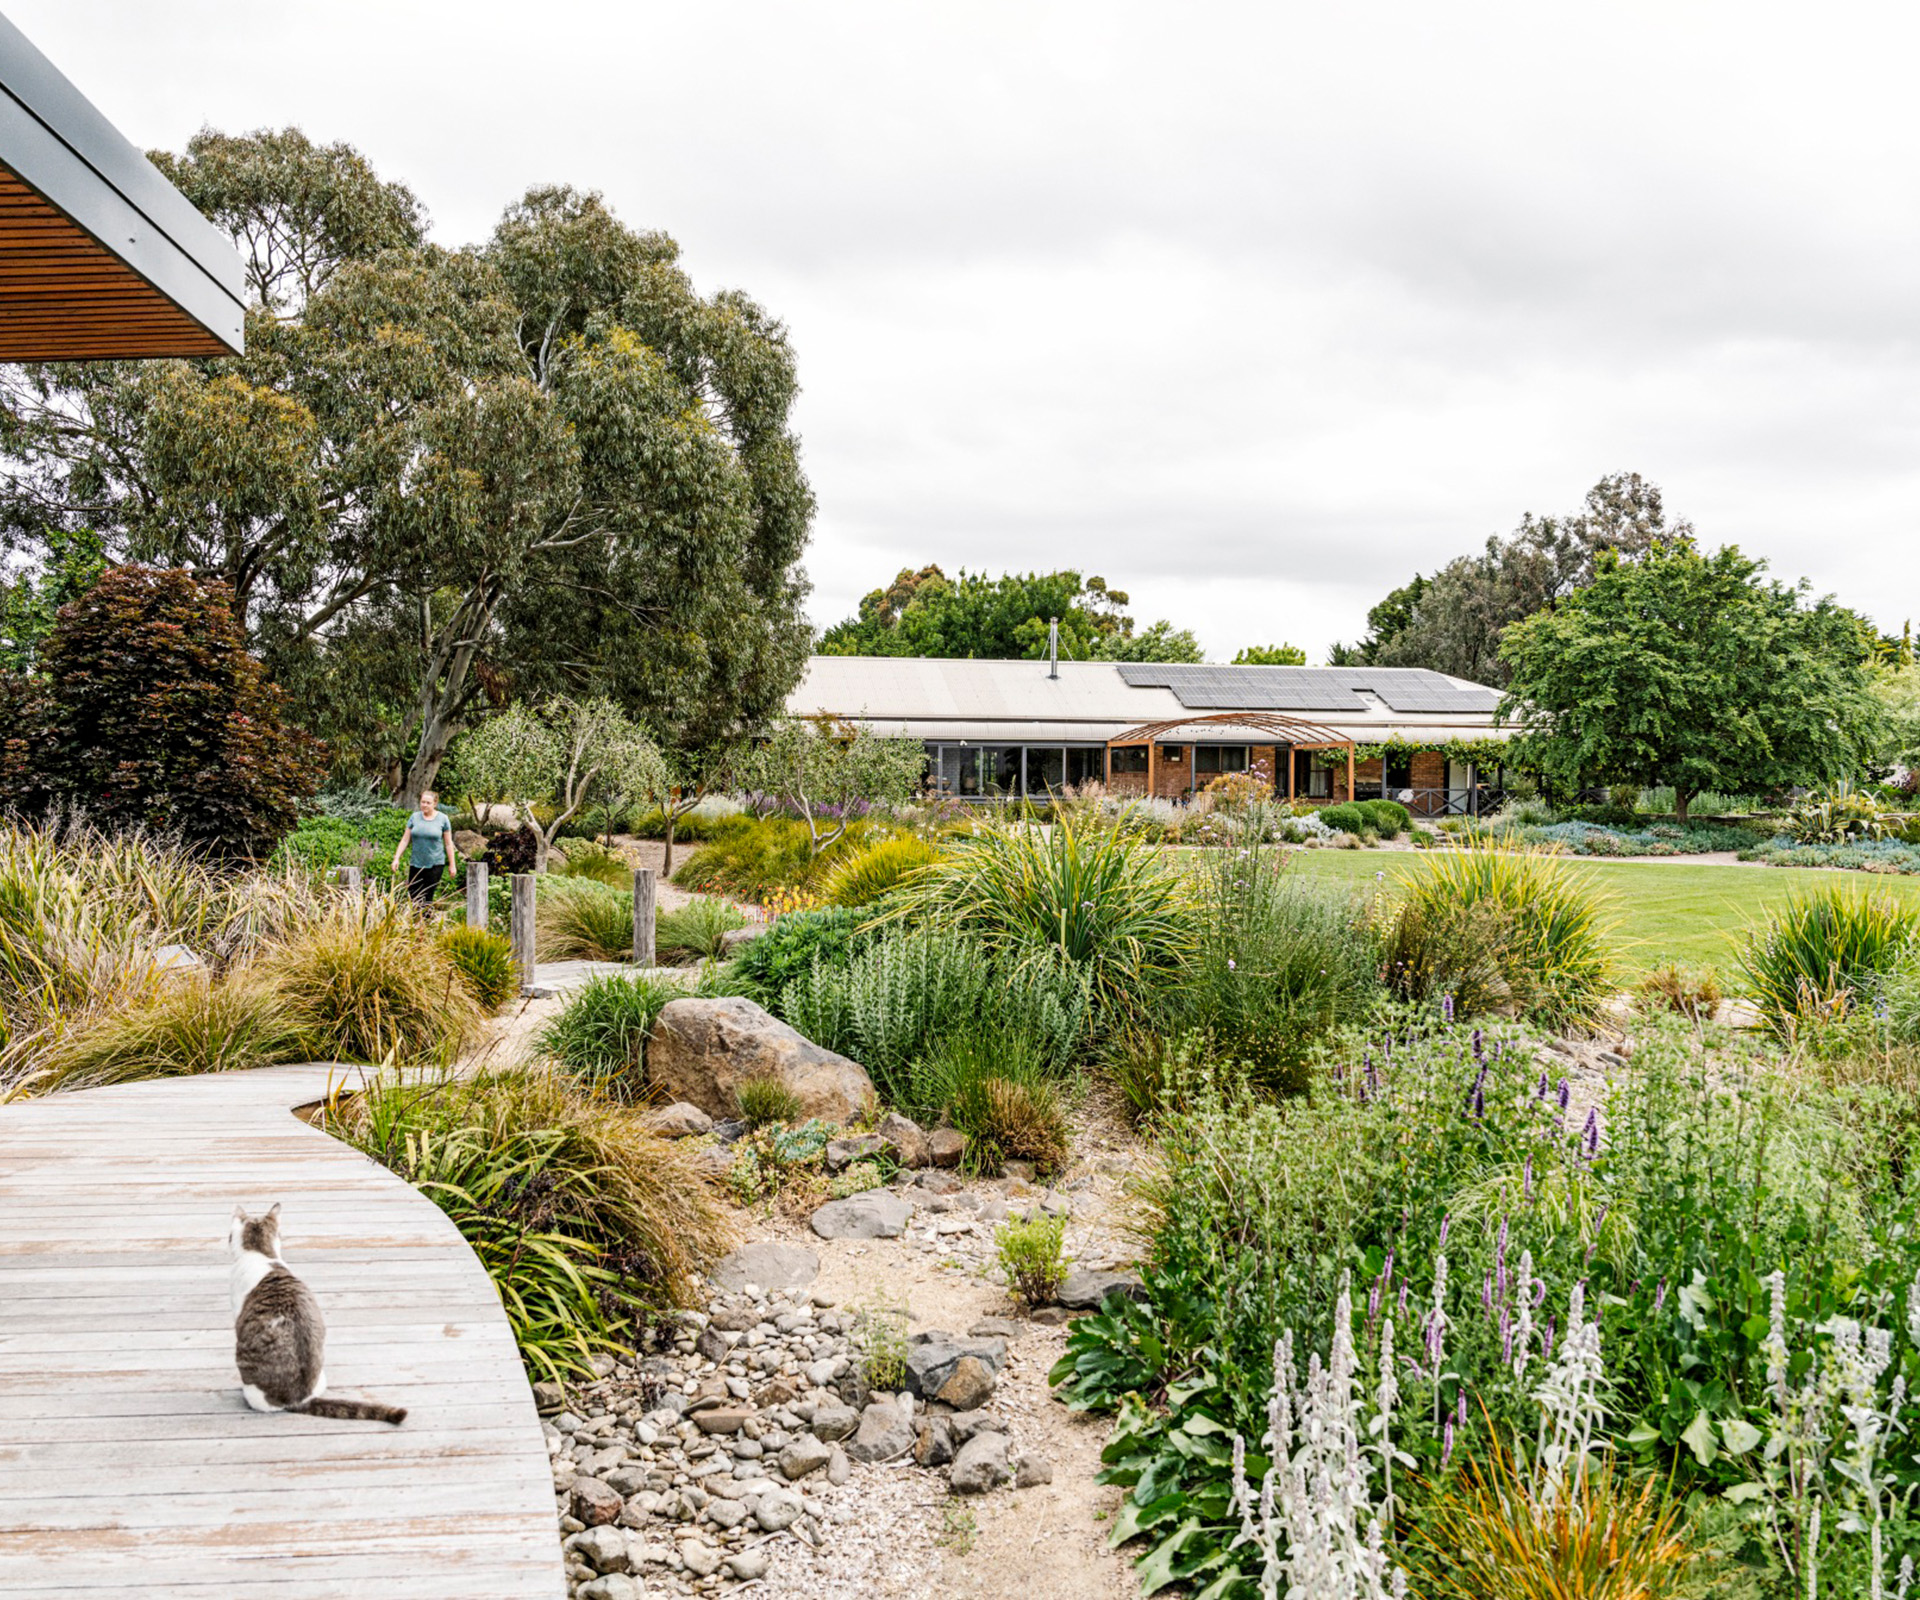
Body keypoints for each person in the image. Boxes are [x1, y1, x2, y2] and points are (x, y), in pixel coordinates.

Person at [391, 791, 458, 909]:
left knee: (427, 898)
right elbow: (405, 840)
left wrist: (452, 864)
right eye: (423, 802)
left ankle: (425, 924)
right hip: (416, 863)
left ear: (435, 804)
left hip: (435, 864)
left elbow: (448, 844)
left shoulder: (443, 819)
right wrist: (396, 858)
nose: (425, 805)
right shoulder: (414, 817)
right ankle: (416, 924)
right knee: (414, 896)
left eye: (428, 803)